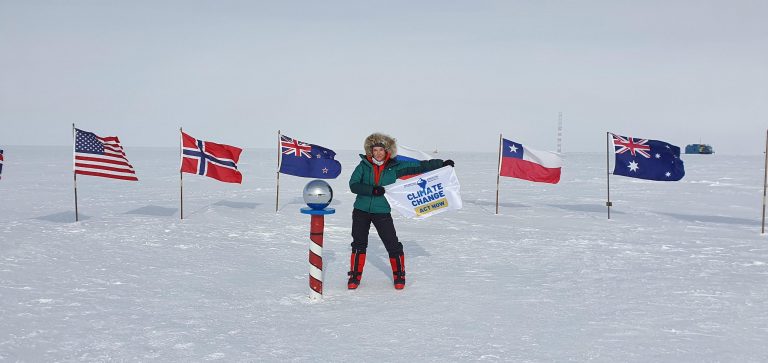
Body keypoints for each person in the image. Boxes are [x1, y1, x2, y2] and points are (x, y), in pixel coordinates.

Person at [347, 133, 454, 290]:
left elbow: (419, 166)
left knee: (392, 243)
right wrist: (372, 190)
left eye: (381, 150)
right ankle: (355, 276)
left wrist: (441, 164)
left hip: (382, 211)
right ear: (371, 151)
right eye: (375, 150)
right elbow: (353, 185)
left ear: (387, 151)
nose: (378, 153)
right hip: (361, 211)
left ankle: (399, 274)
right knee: (358, 243)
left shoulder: (394, 167)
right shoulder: (363, 166)